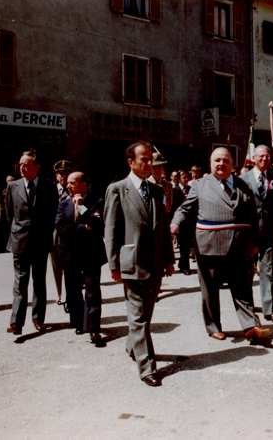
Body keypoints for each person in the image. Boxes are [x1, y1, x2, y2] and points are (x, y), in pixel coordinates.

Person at [171, 147, 272, 344]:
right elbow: (185, 209)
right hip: (209, 245)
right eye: (217, 160)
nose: (221, 164)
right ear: (210, 164)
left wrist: (254, 242)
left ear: (232, 164)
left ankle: (251, 326)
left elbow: (253, 215)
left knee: (243, 288)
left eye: (225, 160)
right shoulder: (199, 185)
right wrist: (175, 224)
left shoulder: (243, 185)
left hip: (239, 245)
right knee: (210, 289)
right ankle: (213, 327)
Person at [104, 142, 174, 387]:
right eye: (144, 159)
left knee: (145, 314)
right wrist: (113, 264)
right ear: (130, 162)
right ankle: (147, 368)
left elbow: (163, 227)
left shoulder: (156, 190)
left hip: (155, 263)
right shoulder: (117, 189)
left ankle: (133, 345)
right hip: (131, 262)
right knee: (139, 317)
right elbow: (111, 229)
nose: (149, 164)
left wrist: (169, 259)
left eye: (150, 160)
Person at [5, 149, 59, 335]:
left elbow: (53, 214)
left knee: (39, 281)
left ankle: (38, 319)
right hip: (20, 240)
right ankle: (16, 322)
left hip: (40, 241)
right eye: (20, 164)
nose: (21, 168)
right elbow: (9, 215)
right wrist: (16, 233)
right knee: (20, 281)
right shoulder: (13, 187)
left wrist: (45, 234)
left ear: (37, 167)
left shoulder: (48, 187)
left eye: (26, 165)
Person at [56, 171, 107, 342]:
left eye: (72, 183)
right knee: (73, 291)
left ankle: (93, 328)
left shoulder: (97, 201)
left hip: (91, 253)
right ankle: (78, 323)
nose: (68, 185)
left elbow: (98, 225)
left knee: (92, 290)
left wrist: (82, 208)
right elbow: (60, 228)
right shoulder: (63, 204)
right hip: (70, 254)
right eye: (67, 183)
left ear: (83, 185)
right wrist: (83, 228)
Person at [241, 145, 273, 324]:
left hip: (268, 231)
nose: (264, 159)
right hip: (249, 234)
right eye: (261, 156)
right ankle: (248, 309)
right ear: (254, 157)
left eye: (267, 156)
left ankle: (269, 309)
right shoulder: (243, 179)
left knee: (268, 271)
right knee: (247, 273)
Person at [51, 160, 73, 312]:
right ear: (56, 175)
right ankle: (61, 294)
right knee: (56, 267)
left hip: (70, 234)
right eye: (60, 173)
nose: (63, 176)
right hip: (53, 234)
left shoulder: (74, 189)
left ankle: (67, 297)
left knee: (68, 266)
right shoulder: (51, 191)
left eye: (66, 173)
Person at [172, 170, 194, 274]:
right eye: (183, 177)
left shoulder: (191, 189)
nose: (186, 179)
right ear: (179, 179)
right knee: (183, 245)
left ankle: (182, 263)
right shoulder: (174, 190)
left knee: (187, 245)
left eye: (187, 177)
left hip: (190, 222)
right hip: (179, 223)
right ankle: (186, 267)